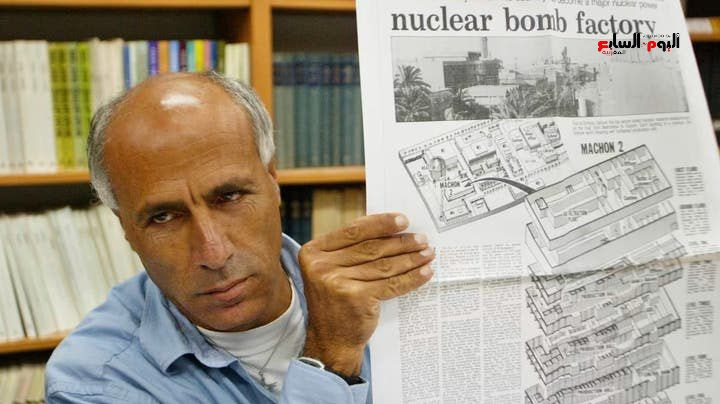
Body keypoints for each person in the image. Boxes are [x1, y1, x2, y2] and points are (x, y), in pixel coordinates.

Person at [44, 71, 435, 404]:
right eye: (163, 217)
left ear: (273, 179)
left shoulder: (392, 294)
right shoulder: (94, 382)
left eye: (229, 197)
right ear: (125, 228)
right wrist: (330, 360)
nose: (214, 253)